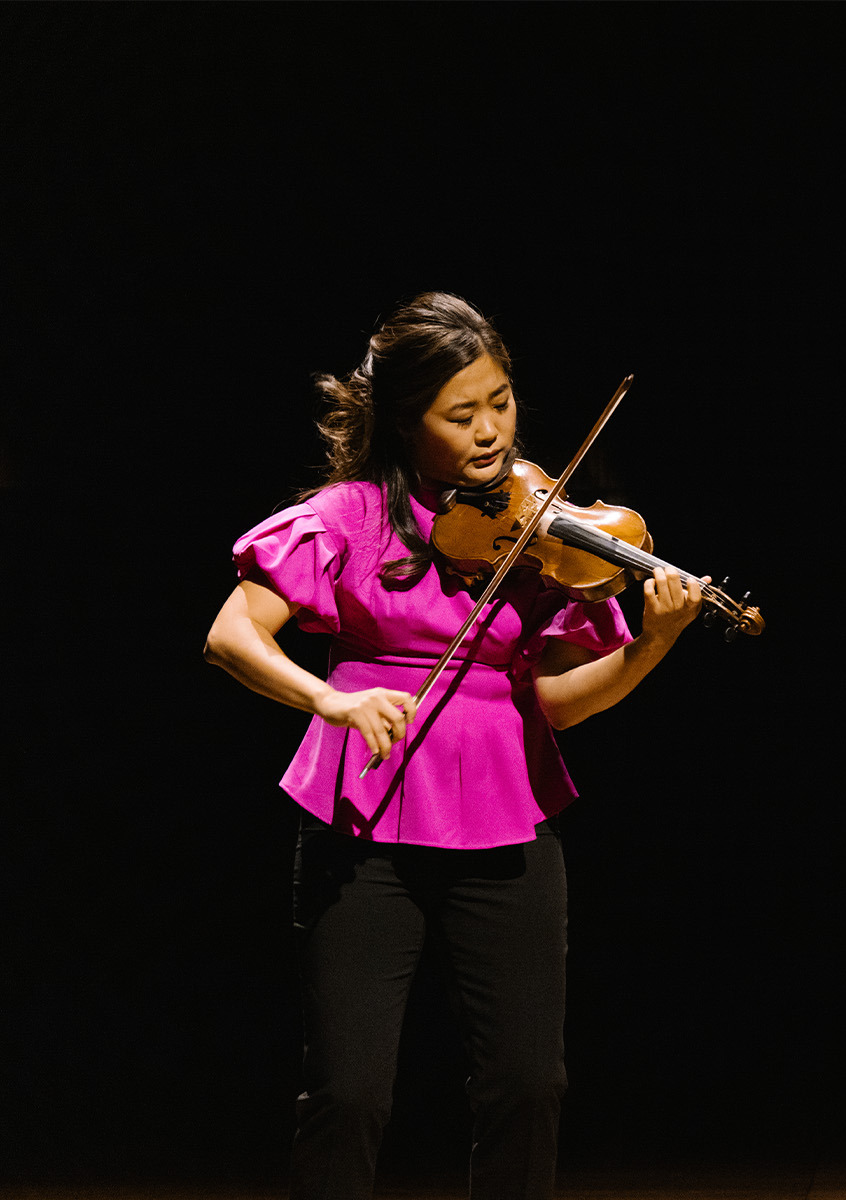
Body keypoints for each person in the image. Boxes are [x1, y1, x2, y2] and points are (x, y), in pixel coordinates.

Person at [204, 293, 704, 1199]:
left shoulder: (544, 528)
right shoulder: (348, 515)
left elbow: (557, 702)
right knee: (350, 1093)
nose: (490, 433)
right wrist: (333, 700)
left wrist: (654, 643)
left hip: (506, 815)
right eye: (460, 413)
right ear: (405, 421)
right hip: (365, 815)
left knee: (529, 1082)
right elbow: (230, 638)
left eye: (501, 403)